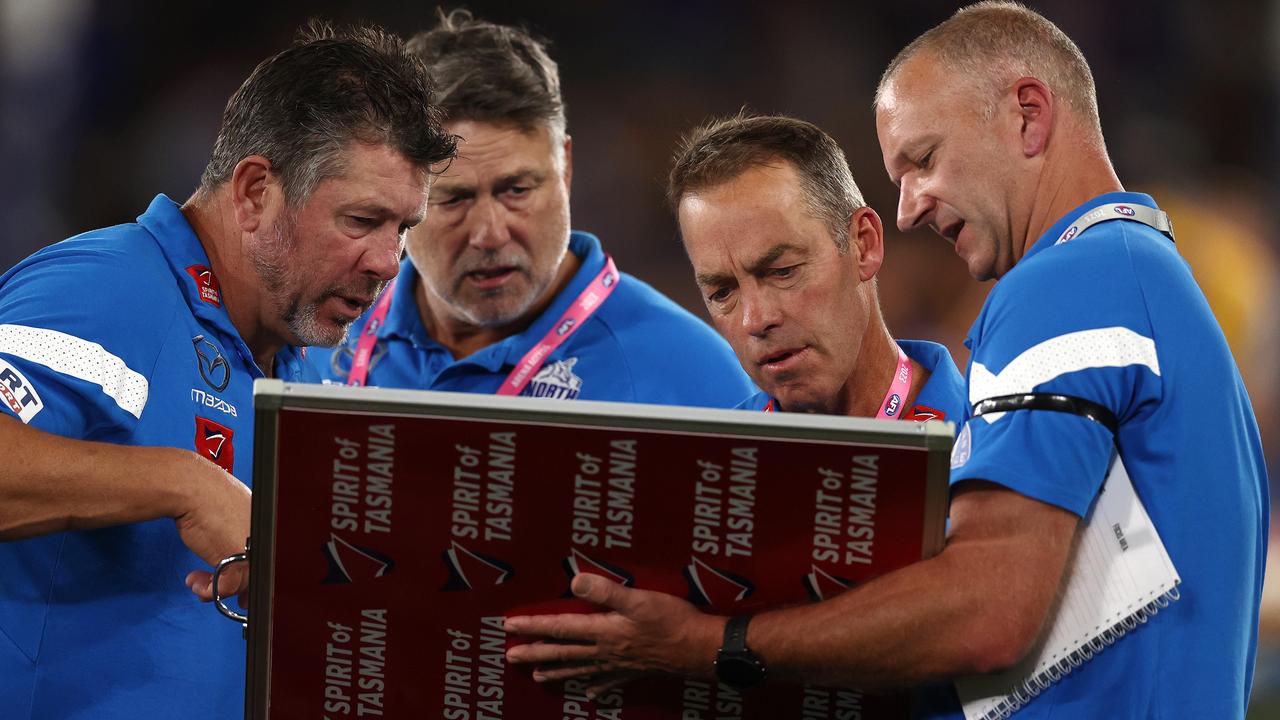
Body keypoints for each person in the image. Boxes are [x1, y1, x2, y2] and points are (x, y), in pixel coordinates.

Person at [504, 3, 1268, 718]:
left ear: (1027, 115)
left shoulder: (1072, 280)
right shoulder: (1141, 276)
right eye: (721, 290)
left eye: (924, 160)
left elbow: (990, 608)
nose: (910, 208)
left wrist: (713, 648)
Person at [0, 22, 455, 719]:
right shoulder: (107, 292)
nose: (389, 262)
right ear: (254, 192)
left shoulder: (313, 365)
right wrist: (182, 484)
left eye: (404, 229)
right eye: (363, 220)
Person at [308, 11, 753, 407]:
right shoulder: (317, 325)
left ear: (566, 168)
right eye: (455, 198)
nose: (490, 234)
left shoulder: (692, 378)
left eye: (516, 189)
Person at [669, 112, 964, 424]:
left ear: (863, 245)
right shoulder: (708, 463)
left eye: (783, 271)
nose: (754, 320)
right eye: (722, 292)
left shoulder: (991, 441)